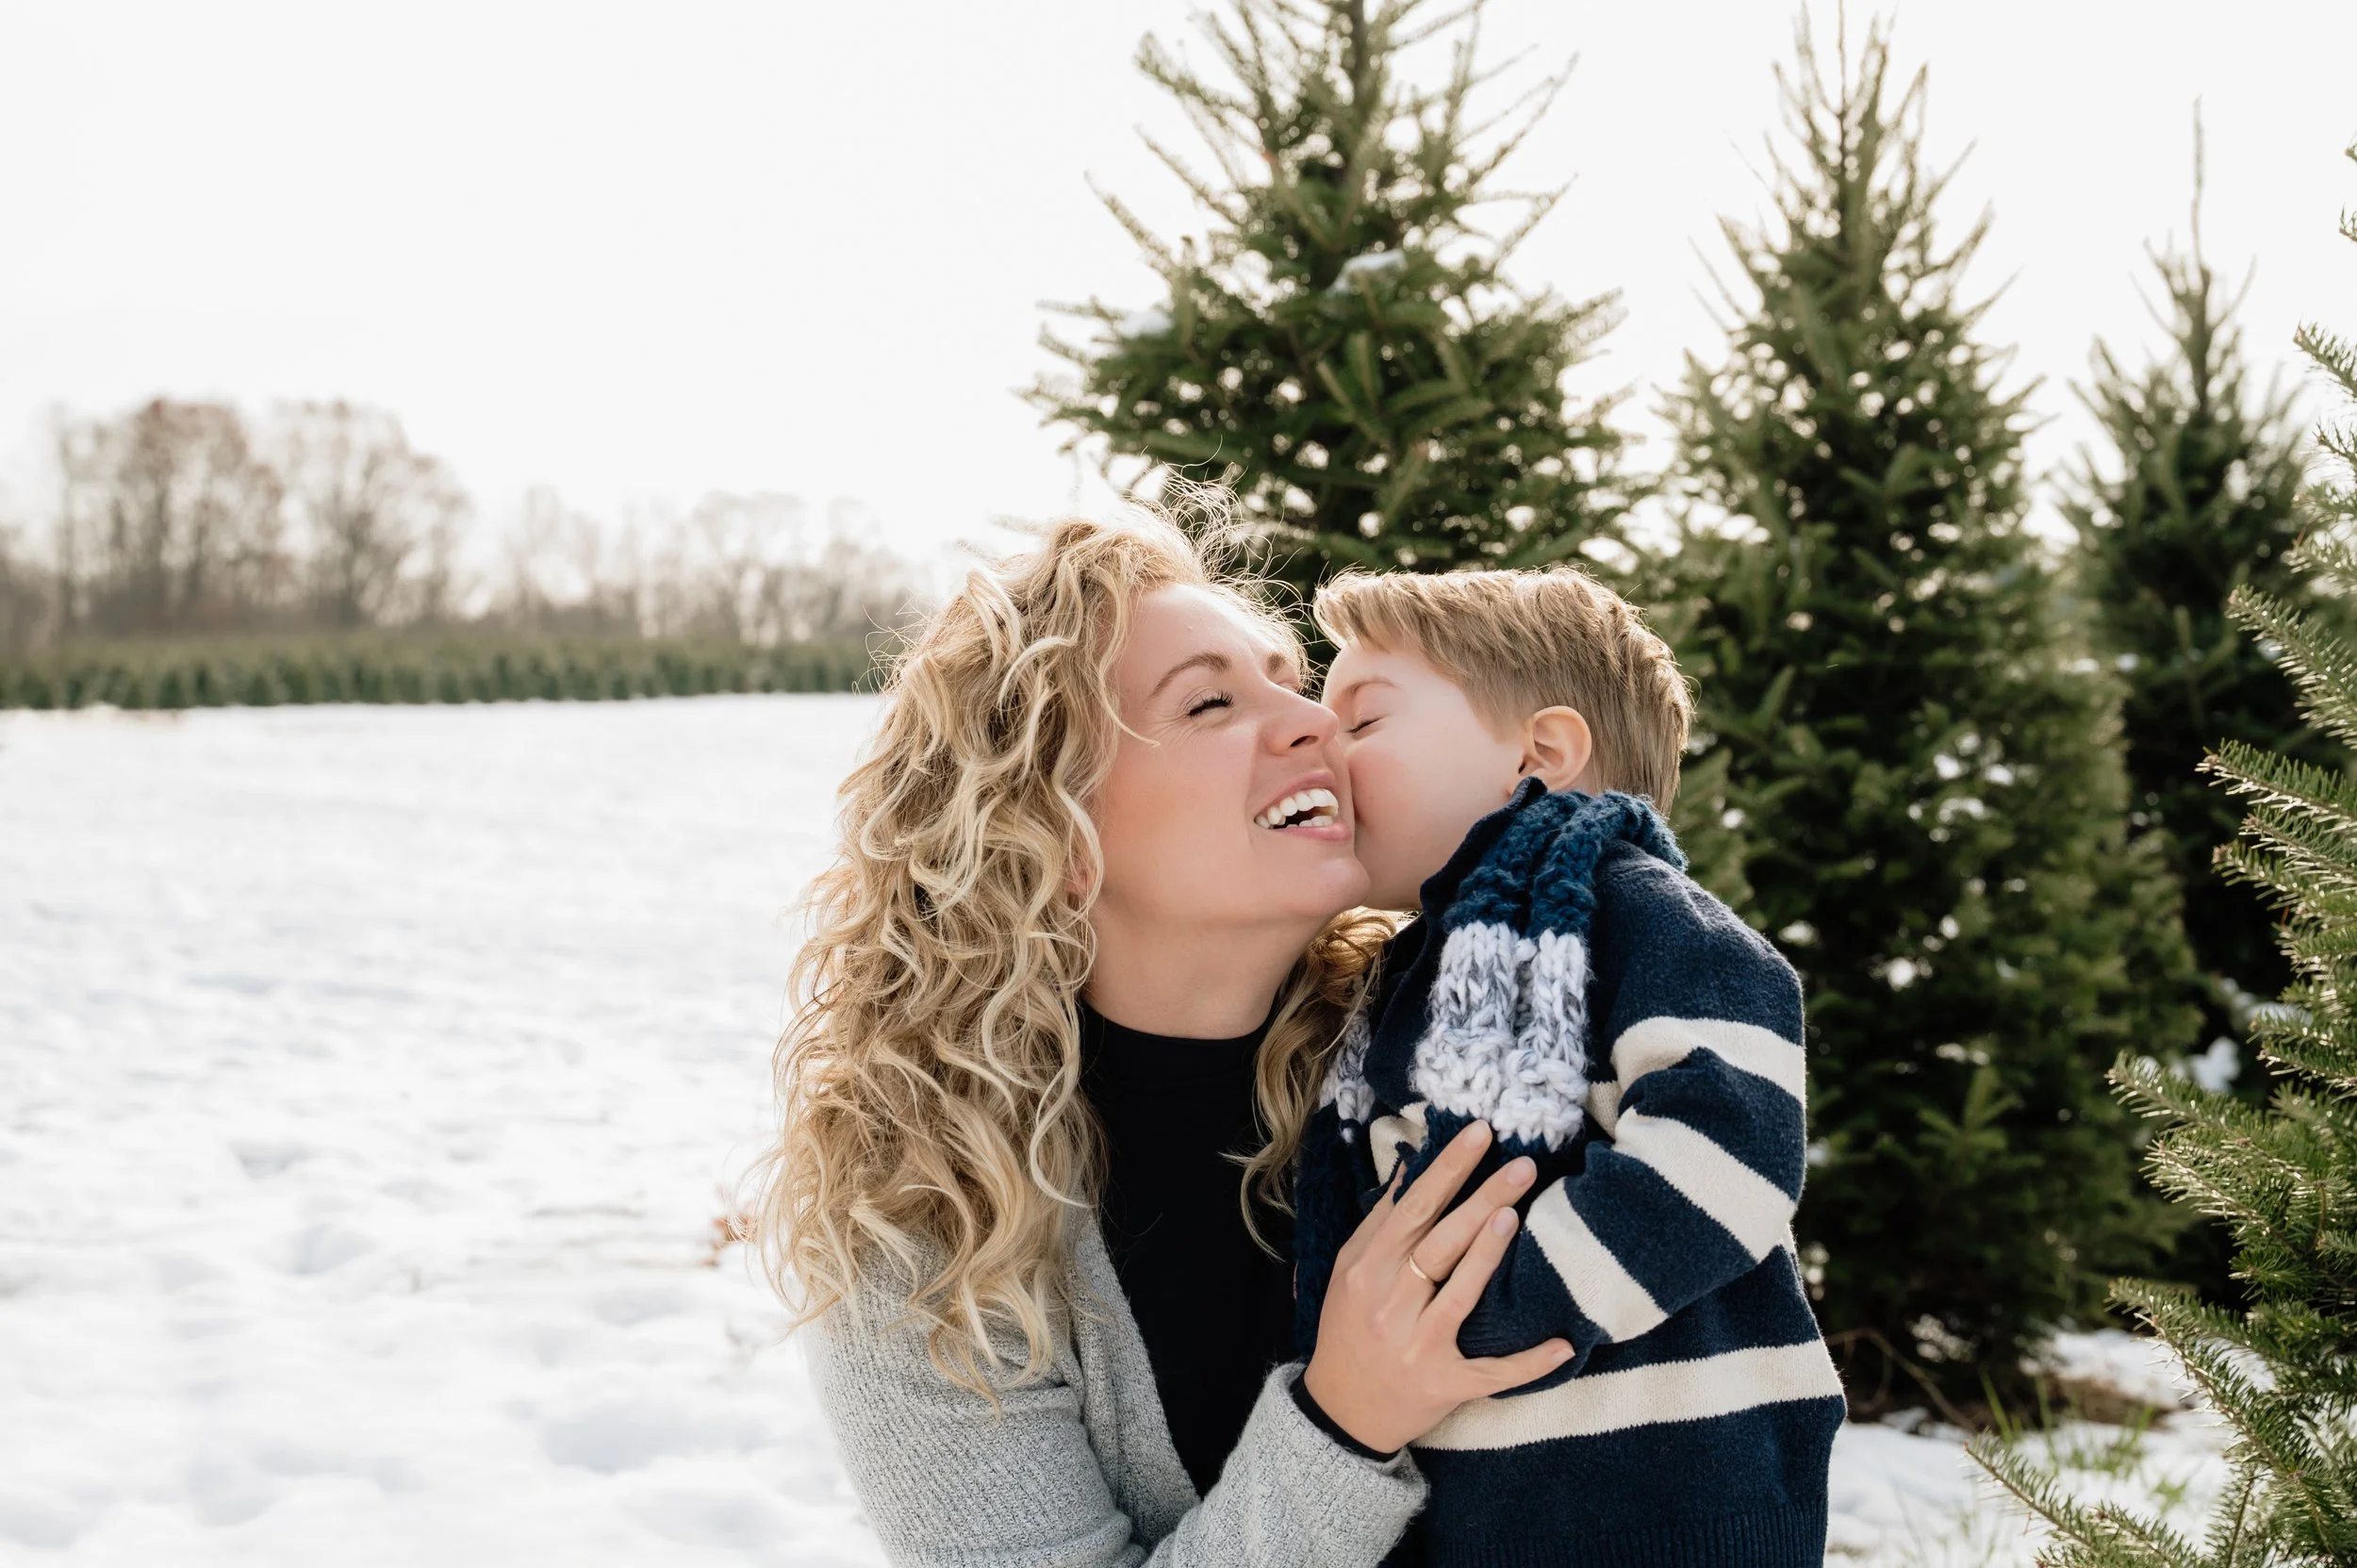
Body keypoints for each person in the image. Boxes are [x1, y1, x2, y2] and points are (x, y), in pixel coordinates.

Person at [750, 509, 1573, 1568]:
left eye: (1291, 679)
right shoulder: (924, 1233)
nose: (1312, 721)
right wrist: (1343, 1423)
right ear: (1056, 836)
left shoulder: (1473, 1037)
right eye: (1211, 701)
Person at [1294, 567, 1845, 1566]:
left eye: (1362, 721)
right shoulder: (1408, 970)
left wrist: (1483, 1308)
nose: (1322, 748)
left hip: (1664, 1509)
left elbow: (1725, 1151)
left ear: (1540, 753)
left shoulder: (1642, 919)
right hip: (1488, 1517)